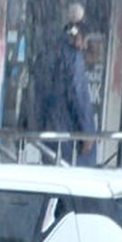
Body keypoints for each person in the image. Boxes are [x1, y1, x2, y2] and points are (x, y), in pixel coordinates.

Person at [36, 16, 97, 166]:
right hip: (70, 136)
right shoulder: (73, 59)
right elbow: (78, 95)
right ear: (77, 38)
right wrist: (87, 133)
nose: (83, 47)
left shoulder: (46, 54)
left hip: (49, 133)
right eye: (85, 41)